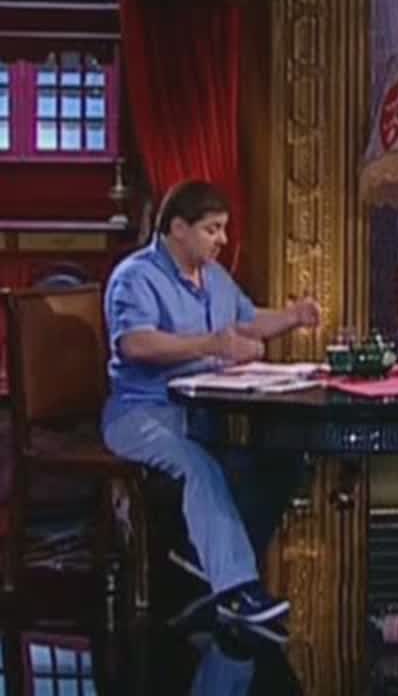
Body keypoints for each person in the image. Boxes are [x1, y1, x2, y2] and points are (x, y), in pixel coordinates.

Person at [102, 180, 321, 628]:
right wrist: (212, 344)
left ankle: (203, 558)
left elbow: (247, 319)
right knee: (200, 466)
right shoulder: (135, 277)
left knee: (283, 456)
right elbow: (135, 344)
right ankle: (236, 591)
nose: (222, 239)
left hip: (203, 413)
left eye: (223, 228)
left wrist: (292, 317)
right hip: (141, 413)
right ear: (178, 228)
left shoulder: (215, 275)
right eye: (212, 229)